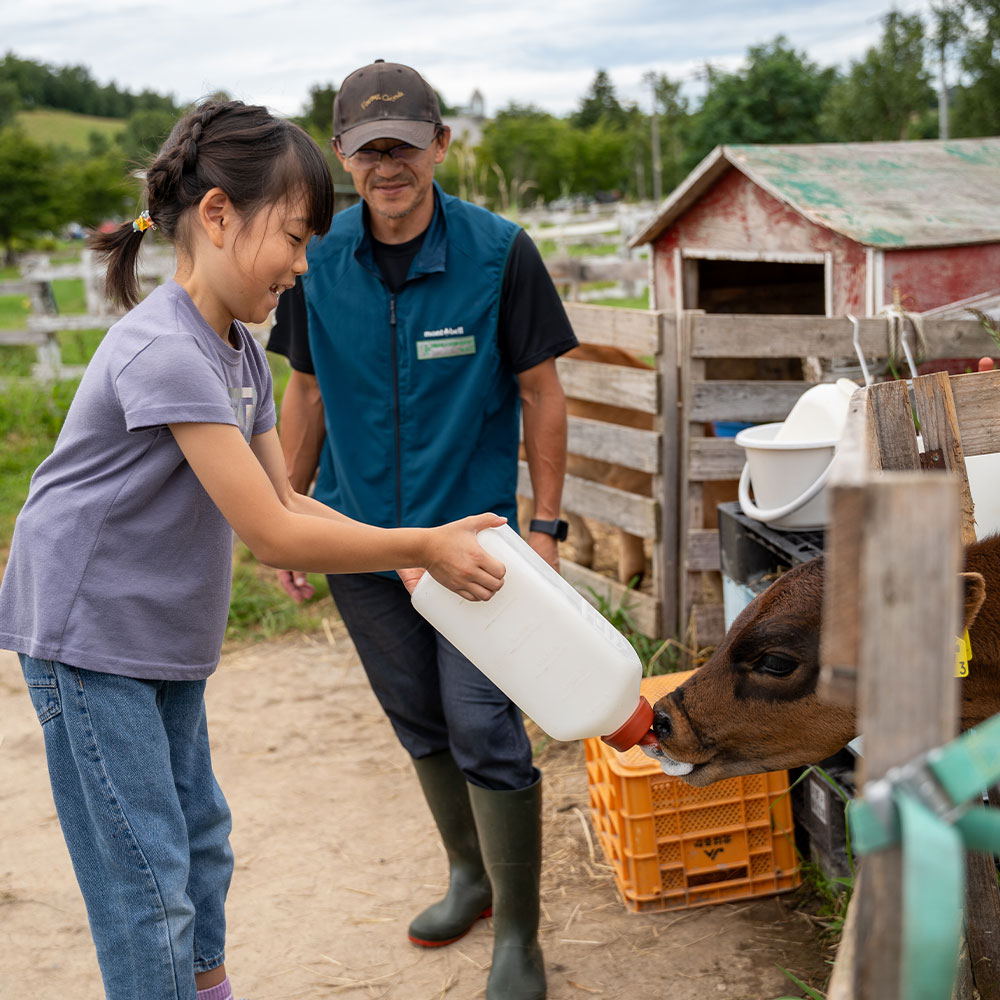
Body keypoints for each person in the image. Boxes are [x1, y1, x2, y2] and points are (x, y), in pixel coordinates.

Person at [0, 99, 508, 1000]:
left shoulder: (236, 352)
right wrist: (423, 541)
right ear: (219, 216)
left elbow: (290, 499)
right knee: (145, 876)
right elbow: (270, 535)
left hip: (156, 631)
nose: (305, 264)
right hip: (87, 631)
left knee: (201, 839)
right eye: (295, 237)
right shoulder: (162, 350)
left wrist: (409, 550)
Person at [267, 60, 578, 1000]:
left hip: (474, 547)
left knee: (486, 728)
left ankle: (518, 938)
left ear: (441, 144)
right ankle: (470, 879)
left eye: (405, 145)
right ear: (343, 160)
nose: (388, 166)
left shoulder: (498, 253)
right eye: (368, 152)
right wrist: (286, 510)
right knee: (418, 721)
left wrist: (550, 529)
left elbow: (541, 392)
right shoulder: (314, 260)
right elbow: (307, 389)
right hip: (363, 545)